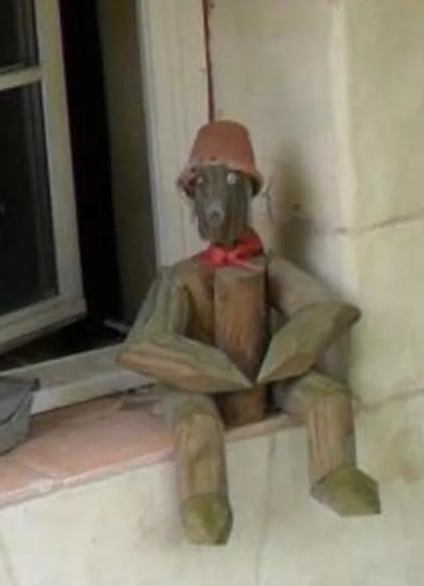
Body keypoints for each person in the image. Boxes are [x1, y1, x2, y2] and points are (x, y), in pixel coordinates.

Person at [118, 120, 377, 545]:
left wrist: (287, 352)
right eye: (206, 190)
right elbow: (148, 343)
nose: (217, 207)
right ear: (194, 198)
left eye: (229, 189)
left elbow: (321, 307)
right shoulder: (182, 278)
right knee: (197, 423)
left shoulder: (268, 266)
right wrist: (208, 369)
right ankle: (205, 506)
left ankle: (337, 473)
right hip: (203, 384)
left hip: (268, 376)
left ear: (247, 194)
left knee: (328, 397)